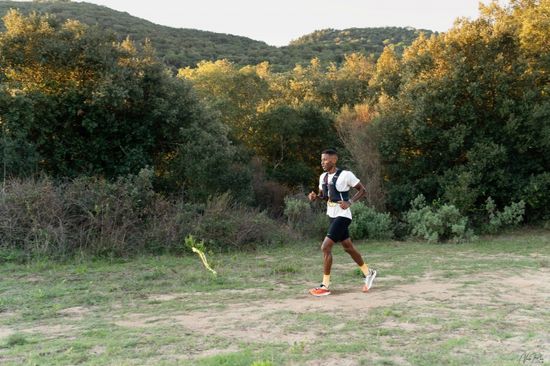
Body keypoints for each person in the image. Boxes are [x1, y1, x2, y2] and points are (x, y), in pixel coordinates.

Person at [307, 149, 376, 296]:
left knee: (325, 247)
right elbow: (324, 196)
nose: (322, 162)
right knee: (348, 247)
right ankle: (368, 273)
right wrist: (315, 197)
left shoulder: (346, 175)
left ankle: (324, 286)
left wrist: (349, 201)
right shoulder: (323, 177)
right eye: (321, 160)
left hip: (343, 215)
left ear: (334, 160)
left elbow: (362, 190)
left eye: (325, 160)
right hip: (331, 215)